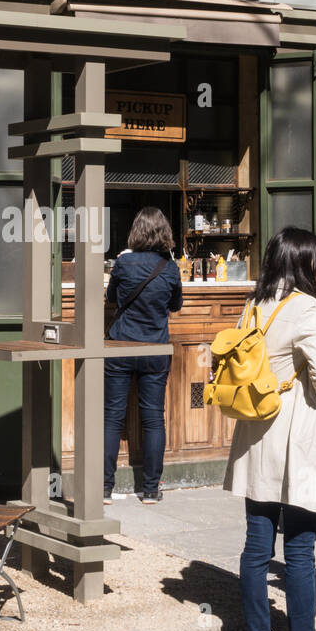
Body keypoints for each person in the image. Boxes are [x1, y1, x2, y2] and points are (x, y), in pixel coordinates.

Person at [224, 228, 316, 631]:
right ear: (302, 262)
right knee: (300, 551)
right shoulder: (305, 306)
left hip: (255, 431)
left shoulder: (252, 304)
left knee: (257, 547)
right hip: (296, 431)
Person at [104, 207, 183, 505]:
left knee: (112, 417)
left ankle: (104, 488)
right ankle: (150, 490)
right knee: (153, 419)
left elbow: (111, 298)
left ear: (136, 231)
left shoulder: (123, 263)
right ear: (165, 233)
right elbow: (175, 305)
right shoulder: (170, 268)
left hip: (121, 346)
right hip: (155, 349)